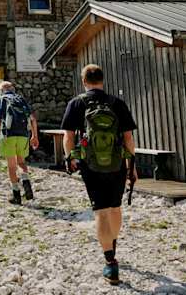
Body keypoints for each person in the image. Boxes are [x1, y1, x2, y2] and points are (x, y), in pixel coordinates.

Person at [61, 64, 138, 286]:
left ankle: (110, 262)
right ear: (103, 80)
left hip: (91, 165)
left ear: (84, 81)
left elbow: (68, 137)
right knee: (115, 207)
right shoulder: (117, 103)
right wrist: (131, 166)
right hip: (117, 164)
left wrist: (70, 159)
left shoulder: (77, 103)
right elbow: (128, 138)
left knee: (101, 211)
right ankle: (112, 244)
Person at [0, 81, 39, 204]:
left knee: (12, 166)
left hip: (8, 136)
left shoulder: (1, 100)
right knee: (21, 162)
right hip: (23, 135)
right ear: (13, 89)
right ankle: (26, 181)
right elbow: (33, 119)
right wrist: (34, 136)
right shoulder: (21, 99)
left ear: (1, 90)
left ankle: (16, 195)